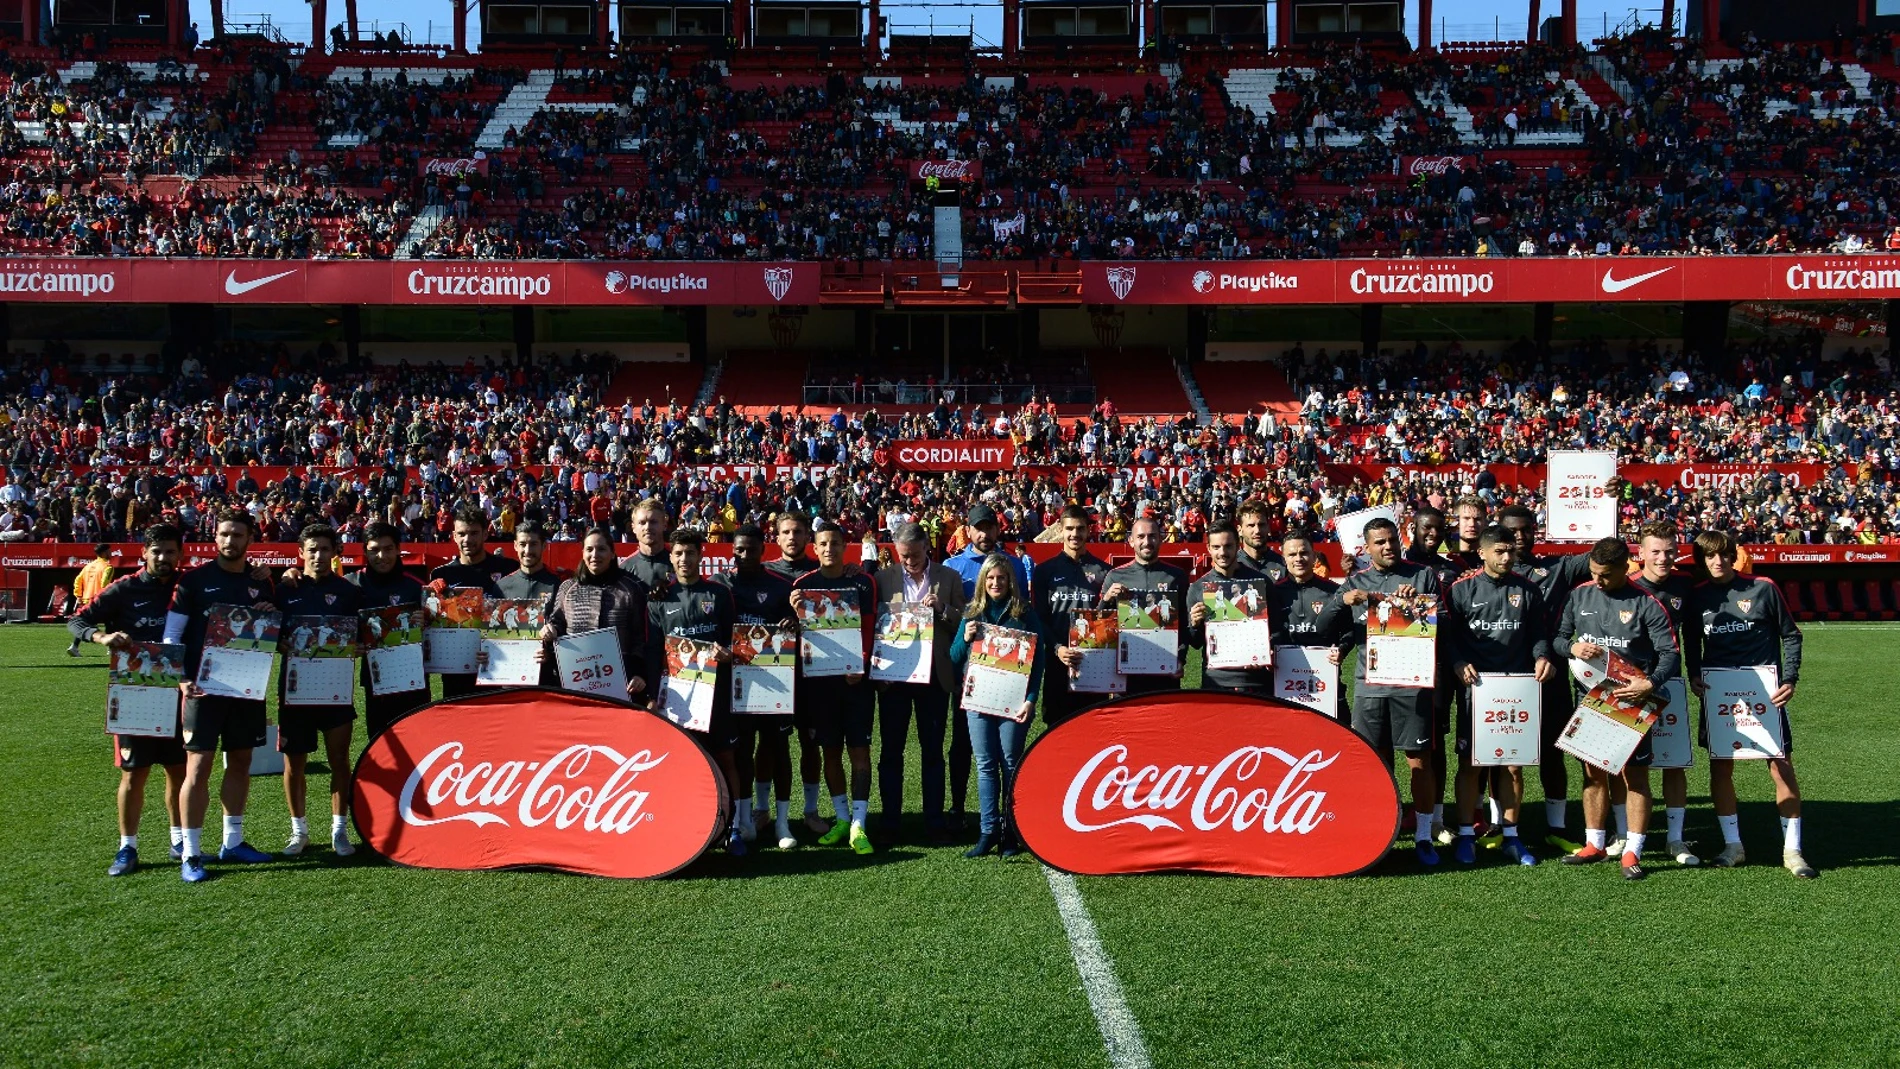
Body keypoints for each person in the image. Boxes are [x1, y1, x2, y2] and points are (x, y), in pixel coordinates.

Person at [1685, 530, 1812, 878]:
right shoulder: (1698, 596)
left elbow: (1790, 634)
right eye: (1710, 556)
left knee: (1780, 764)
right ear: (1702, 560)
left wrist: (1790, 679)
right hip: (1719, 693)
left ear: (1733, 555)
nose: (1717, 561)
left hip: (1765, 693)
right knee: (1721, 767)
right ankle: (1733, 846)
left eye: (1724, 554)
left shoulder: (1763, 587)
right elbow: (1691, 640)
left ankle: (1793, 850)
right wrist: (1694, 672)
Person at [1554, 537, 1680, 880]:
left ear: (1627, 568)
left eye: (1606, 575)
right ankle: (1594, 843)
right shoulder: (1579, 595)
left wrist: (1650, 683)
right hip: (1590, 698)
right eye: (1594, 573)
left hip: (1632, 699)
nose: (1598, 580)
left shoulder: (1648, 603)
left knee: (1634, 776)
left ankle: (1632, 852)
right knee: (1593, 773)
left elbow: (1670, 653)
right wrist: (1572, 646)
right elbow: (1558, 637)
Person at [164, 508, 279, 883]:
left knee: (241, 762)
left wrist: (268, 613)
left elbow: (274, 630)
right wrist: (182, 680)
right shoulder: (194, 581)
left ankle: (233, 840)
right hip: (203, 688)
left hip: (246, 688)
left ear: (250, 540)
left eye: (238, 535)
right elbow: (171, 637)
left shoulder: (262, 581)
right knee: (198, 769)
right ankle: (192, 853)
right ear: (215, 537)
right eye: (225, 534)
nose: (231, 541)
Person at [71, 524, 185, 876]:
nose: (162, 558)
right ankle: (127, 847)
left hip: (179, 694)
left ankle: (180, 840)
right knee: (134, 775)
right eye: (156, 551)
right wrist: (101, 637)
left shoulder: (189, 587)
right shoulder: (124, 588)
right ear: (144, 554)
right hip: (134, 693)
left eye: (169, 551)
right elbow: (77, 621)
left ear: (179, 555)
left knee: (179, 773)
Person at [1441, 525, 1551, 867]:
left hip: (1517, 688)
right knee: (1472, 764)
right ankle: (1466, 835)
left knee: (1513, 766)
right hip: (1478, 689)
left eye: (1510, 552)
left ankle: (1512, 836)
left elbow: (1539, 634)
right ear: (1483, 553)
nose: (1506, 557)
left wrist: (1542, 656)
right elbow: (1447, 636)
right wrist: (1458, 662)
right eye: (1499, 552)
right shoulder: (1460, 590)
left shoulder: (1528, 590)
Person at [1336, 516, 1443, 865]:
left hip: (1411, 684)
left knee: (1418, 760)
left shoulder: (1421, 575)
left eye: (1391, 540)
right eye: (1379, 542)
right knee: (1376, 763)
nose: (1387, 547)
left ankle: (1425, 836)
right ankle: (1382, 831)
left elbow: (1442, 620)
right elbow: (1333, 629)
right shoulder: (1355, 581)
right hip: (1370, 685)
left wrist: (1417, 602)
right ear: (1366, 549)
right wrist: (1343, 601)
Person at [1497, 502, 1594, 850]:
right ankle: (1503, 825)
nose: (1520, 536)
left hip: (1548, 676)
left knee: (1553, 752)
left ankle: (1557, 826)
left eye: (1527, 529)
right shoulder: (1493, 571)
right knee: (1506, 754)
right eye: (1512, 531)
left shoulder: (1558, 568)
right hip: (1504, 677)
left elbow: (1602, 551)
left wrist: (1606, 503)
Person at [646, 531, 746, 854]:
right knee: (681, 761)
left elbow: (737, 641)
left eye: (690, 553)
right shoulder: (660, 597)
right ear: (670, 557)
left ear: (700, 555)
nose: (684, 559)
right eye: (678, 553)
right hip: (677, 696)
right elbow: (652, 650)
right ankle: (687, 826)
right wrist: (651, 693)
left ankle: (735, 829)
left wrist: (728, 653)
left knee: (727, 758)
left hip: (715, 694)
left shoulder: (718, 593)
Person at [873, 522, 967, 843]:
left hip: (934, 676)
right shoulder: (882, 580)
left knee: (932, 752)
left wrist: (942, 609)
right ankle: (890, 823)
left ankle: (934, 823)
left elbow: (964, 624)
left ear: (927, 546)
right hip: (894, 678)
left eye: (914, 555)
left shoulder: (948, 577)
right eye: (903, 556)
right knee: (890, 752)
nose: (909, 561)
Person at [791, 521, 879, 854]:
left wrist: (862, 663)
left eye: (836, 543)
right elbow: (798, 636)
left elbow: (869, 629)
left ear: (846, 547)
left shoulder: (863, 582)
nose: (830, 549)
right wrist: (793, 609)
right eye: (824, 544)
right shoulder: (803, 585)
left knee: (859, 752)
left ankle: (859, 824)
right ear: (815, 548)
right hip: (820, 687)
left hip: (855, 684)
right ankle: (841, 819)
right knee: (829, 751)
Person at [950, 553, 1046, 858]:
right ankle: (988, 831)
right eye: (990, 578)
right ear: (983, 581)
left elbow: (1038, 661)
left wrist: (1031, 700)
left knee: (1010, 763)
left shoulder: (1025, 613)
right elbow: (954, 657)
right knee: (986, 765)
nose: (995, 583)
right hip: (978, 700)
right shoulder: (971, 612)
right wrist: (964, 639)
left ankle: (1009, 833)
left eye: (1001, 578)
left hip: (1012, 701)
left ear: (1010, 581)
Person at [273, 524, 360, 858]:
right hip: (295, 690)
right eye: (311, 549)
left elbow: (362, 634)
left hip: (336, 689)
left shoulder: (349, 591)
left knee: (339, 760)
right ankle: (299, 831)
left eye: (324, 549)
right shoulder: (283, 590)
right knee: (294, 764)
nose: (318, 556)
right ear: (300, 552)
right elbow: (269, 631)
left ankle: (340, 831)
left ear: (335, 551)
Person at [721, 523, 799, 849]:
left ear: (762, 551)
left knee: (777, 749)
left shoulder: (780, 587)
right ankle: (744, 820)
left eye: (751, 549)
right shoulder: (721, 586)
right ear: (732, 551)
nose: (745, 555)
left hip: (774, 681)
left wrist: (793, 623)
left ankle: (782, 822)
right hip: (737, 683)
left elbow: (796, 627)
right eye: (739, 550)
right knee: (741, 752)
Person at [1629, 521, 1703, 866]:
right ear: (1640, 552)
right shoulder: (1628, 586)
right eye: (1655, 551)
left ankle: (1675, 838)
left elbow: (1691, 635)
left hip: (1669, 683)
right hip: (1631, 687)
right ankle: (1623, 833)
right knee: (1629, 766)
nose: (1663, 558)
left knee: (1673, 763)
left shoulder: (1684, 585)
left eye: (1669, 551)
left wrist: (1694, 673)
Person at [544, 527, 652, 704]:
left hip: (621, 684)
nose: (595, 555)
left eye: (601, 549)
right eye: (589, 549)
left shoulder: (630, 589)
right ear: (583, 553)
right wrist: (550, 631)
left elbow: (640, 637)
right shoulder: (567, 587)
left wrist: (639, 673)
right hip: (575, 683)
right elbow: (556, 624)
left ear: (612, 553)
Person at [767, 510, 825, 827]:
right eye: (786, 532)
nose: (792, 537)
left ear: (808, 537)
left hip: (810, 674)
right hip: (771, 672)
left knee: (810, 742)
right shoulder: (764, 574)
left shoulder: (821, 573)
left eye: (798, 532)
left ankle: (812, 811)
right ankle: (766, 811)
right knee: (770, 746)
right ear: (777, 537)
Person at [1032, 505, 1110, 727]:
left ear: (1088, 530)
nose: (1075, 534)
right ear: (1060, 529)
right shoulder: (1044, 571)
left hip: (1094, 662)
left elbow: (1110, 619)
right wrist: (1058, 649)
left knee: (1094, 728)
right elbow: (1040, 618)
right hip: (1058, 662)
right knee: (1056, 728)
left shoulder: (1104, 571)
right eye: (1070, 529)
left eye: (1080, 529)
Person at [349, 521, 428, 738]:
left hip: (414, 681)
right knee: (380, 742)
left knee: (419, 743)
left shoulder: (416, 586)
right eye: (374, 550)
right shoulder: (351, 584)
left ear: (398, 549)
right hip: (376, 678)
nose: (381, 556)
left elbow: (437, 635)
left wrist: (427, 622)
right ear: (365, 551)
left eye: (388, 549)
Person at [430, 506, 515, 698]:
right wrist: (431, 600)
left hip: (500, 665)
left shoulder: (508, 568)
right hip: (457, 670)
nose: (467, 540)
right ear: (453, 536)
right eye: (461, 534)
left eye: (474, 533)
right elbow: (433, 624)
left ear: (485, 534)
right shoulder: (441, 575)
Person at [1187, 521, 1279, 696]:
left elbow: (1277, 629)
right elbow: (1196, 643)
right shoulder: (1198, 588)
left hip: (1256, 680)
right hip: (1216, 681)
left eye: (1228, 546)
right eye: (1216, 547)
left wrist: (1266, 651)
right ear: (1208, 548)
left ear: (1238, 545)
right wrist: (1194, 624)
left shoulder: (1260, 583)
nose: (1222, 553)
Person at [1101, 516, 1189, 696]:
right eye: (1141, 537)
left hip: (1165, 673)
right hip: (1127, 676)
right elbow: (1100, 626)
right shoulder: (1114, 576)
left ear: (1161, 538)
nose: (1147, 542)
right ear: (1131, 540)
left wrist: (1180, 658)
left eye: (1152, 536)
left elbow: (1185, 626)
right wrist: (1107, 599)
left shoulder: (1177, 576)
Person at [1269, 533, 1346, 718]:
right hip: (1284, 683)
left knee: (1336, 740)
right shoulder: (1273, 592)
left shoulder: (1333, 591)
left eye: (1304, 553)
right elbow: (1265, 632)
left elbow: (1348, 631)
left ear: (1314, 556)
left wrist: (1343, 649)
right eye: (1292, 554)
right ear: (1284, 558)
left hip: (1327, 681)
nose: (1298, 559)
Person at [498, 521, 563, 686]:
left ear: (544, 546)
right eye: (522, 544)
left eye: (533, 544)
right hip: (509, 678)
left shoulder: (559, 583)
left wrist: (550, 653)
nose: (527, 551)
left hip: (548, 678)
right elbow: (493, 632)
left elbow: (568, 629)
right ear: (515, 546)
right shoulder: (502, 586)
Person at [945, 504, 1029, 598]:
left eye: (988, 528)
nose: (984, 535)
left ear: (998, 529)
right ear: (968, 531)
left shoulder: (1016, 565)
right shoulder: (951, 567)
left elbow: (1022, 607)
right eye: (979, 528)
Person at [67, 543, 115, 655]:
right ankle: (111, 649)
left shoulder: (88, 566)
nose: (111, 553)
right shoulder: (108, 567)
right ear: (104, 553)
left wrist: (78, 595)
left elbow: (78, 580)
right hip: (99, 599)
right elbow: (104, 584)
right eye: (109, 551)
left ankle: (74, 646)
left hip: (86, 599)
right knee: (111, 622)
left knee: (85, 623)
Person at [621, 498, 676, 589]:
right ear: (633, 527)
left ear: (665, 525)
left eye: (653, 522)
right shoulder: (625, 569)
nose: (647, 527)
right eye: (642, 523)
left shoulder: (680, 563)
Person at [1235, 498, 1288, 580]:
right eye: (1251, 525)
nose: (1257, 531)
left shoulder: (1283, 564)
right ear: (1240, 530)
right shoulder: (1232, 565)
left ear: (1268, 526)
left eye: (1261, 525)